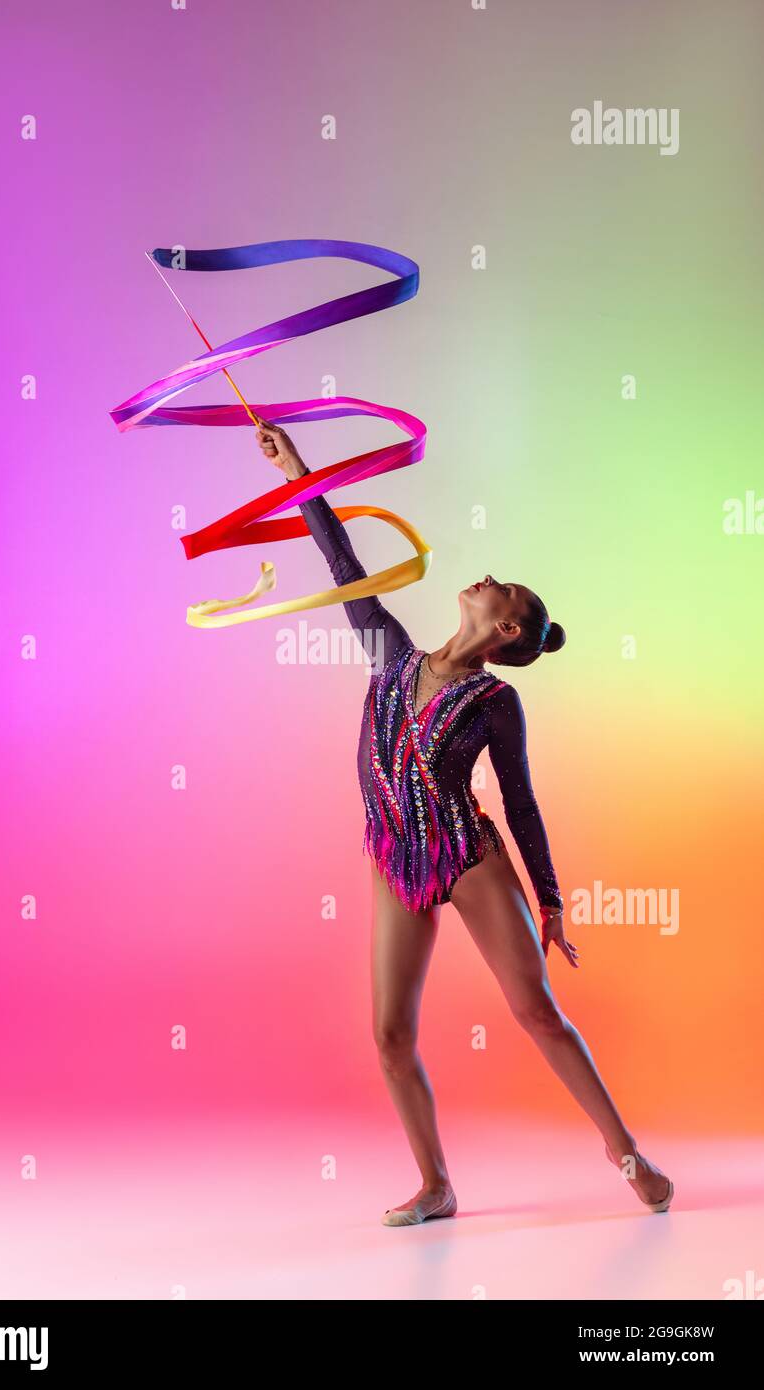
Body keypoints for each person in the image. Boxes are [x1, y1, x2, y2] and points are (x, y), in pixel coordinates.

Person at [255, 417, 674, 1226]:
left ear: (507, 628)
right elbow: (342, 563)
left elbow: (519, 802)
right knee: (386, 1035)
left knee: (536, 1011)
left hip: (465, 853)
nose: (484, 578)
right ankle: (436, 1185)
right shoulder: (390, 652)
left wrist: (547, 900)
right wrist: (296, 468)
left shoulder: (494, 700)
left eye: (500, 587)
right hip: (393, 857)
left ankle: (628, 1154)